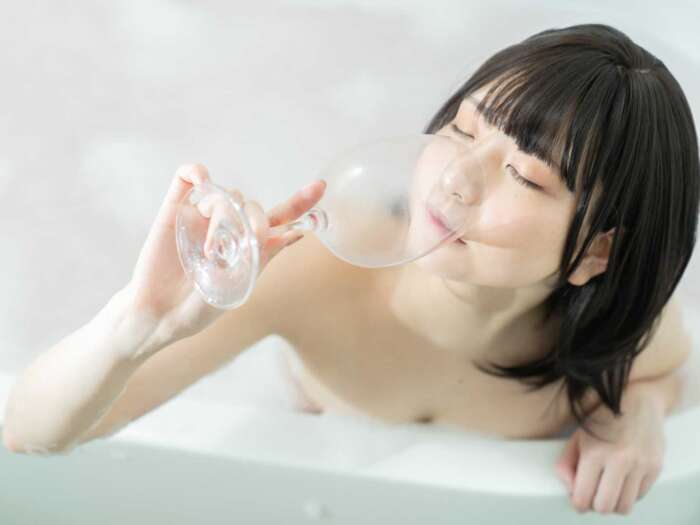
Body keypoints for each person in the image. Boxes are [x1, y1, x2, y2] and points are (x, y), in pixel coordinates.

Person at [3, 23, 698, 516]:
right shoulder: (317, 268)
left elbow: (668, 371)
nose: (455, 179)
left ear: (597, 253)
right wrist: (136, 324)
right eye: (462, 129)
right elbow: (29, 433)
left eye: (524, 174)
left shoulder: (625, 331)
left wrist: (636, 412)